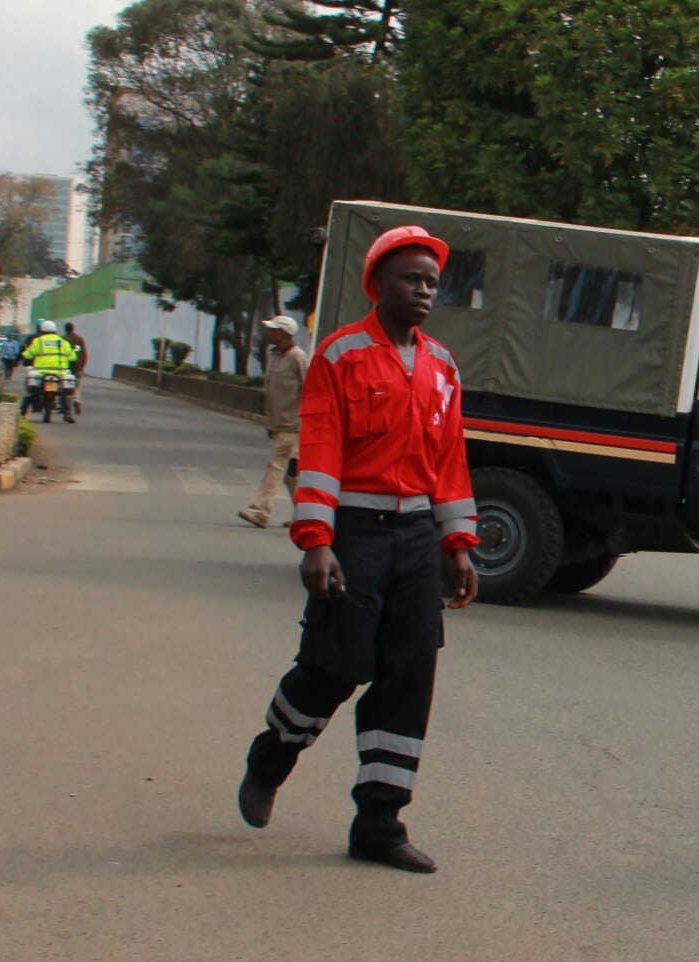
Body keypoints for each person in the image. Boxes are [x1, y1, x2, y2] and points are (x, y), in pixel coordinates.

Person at [238, 225, 480, 874]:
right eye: (411, 278)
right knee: (335, 665)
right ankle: (272, 757)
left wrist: (458, 543)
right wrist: (316, 540)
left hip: (416, 543)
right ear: (379, 284)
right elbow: (320, 454)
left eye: (432, 280)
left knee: (408, 677)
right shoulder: (341, 357)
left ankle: (379, 822)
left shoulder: (442, 367)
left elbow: (450, 462)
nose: (425, 290)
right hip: (356, 534)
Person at [238, 315, 308, 529]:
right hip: (279, 424)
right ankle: (305, 515)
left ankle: (261, 510)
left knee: (276, 465)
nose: (270, 333)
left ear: (285, 333)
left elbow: (310, 391)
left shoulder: (298, 357)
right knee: (290, 474)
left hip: (294, 425)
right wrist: (271, 424)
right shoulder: (275, 356)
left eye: (274, 330)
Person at [20, 320, 78, 422]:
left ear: (42, 330)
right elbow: (73, 357)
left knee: (31, 391)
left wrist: (25, 353)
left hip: (42, 373)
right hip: (60, 373)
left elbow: (28, 354)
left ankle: (22, 413)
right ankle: (68, 414)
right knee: (66, 393)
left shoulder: (39, 341)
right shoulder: (63, 342)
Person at [63, 321, 87, 415]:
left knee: (66, 387)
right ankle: (76, 400)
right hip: (78, 368)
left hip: (67, 368)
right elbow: (84, 354)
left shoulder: (63, 339)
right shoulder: (80, 339)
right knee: (76, 387)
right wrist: (81, 366)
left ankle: (65, 404)